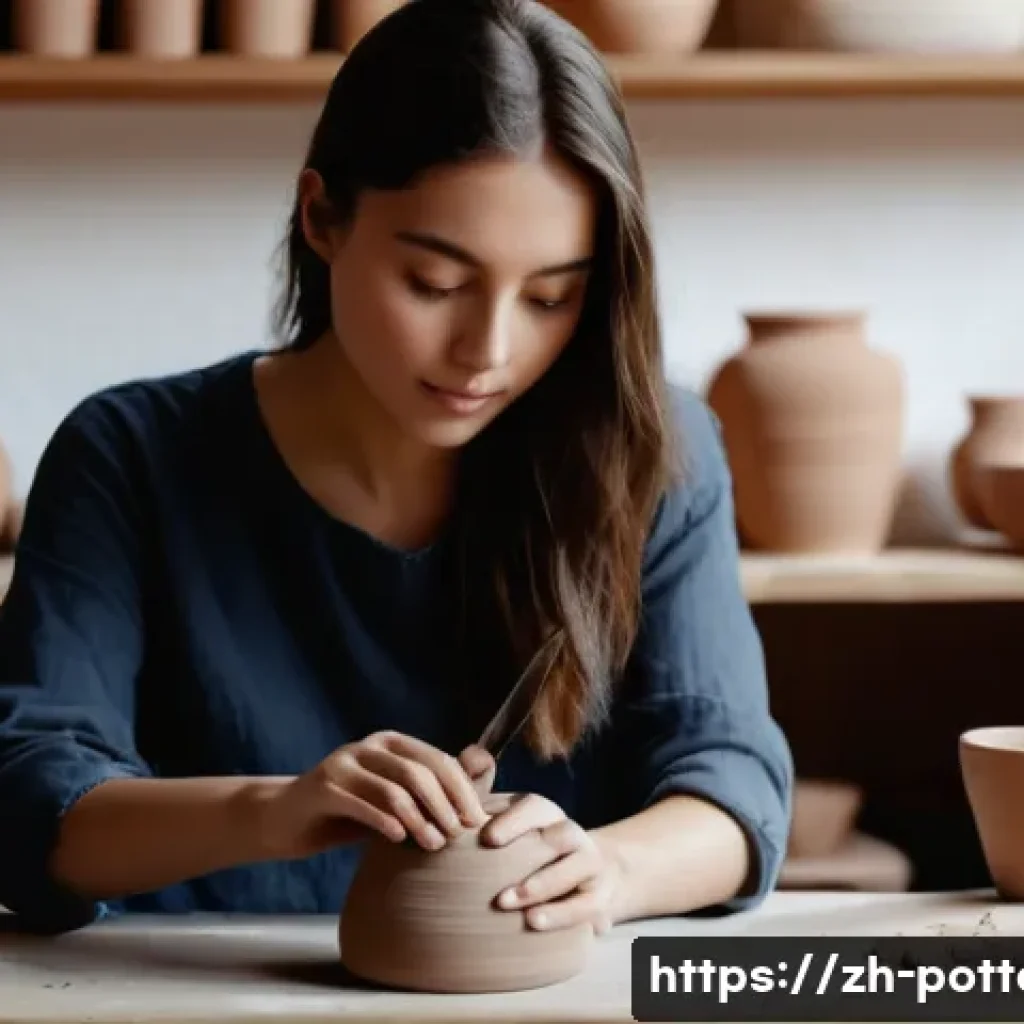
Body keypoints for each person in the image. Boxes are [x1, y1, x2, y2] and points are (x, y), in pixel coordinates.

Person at [0, 0, 792, 937]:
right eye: (437, 283)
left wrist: (613, 869)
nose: (488, 350)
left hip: (536, 992)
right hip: (186, 994)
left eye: (551, 297)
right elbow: (30, 803)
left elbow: (731, 781)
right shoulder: (130, 456)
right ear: (321, 217)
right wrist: (272, 810)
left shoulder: (652, 455)